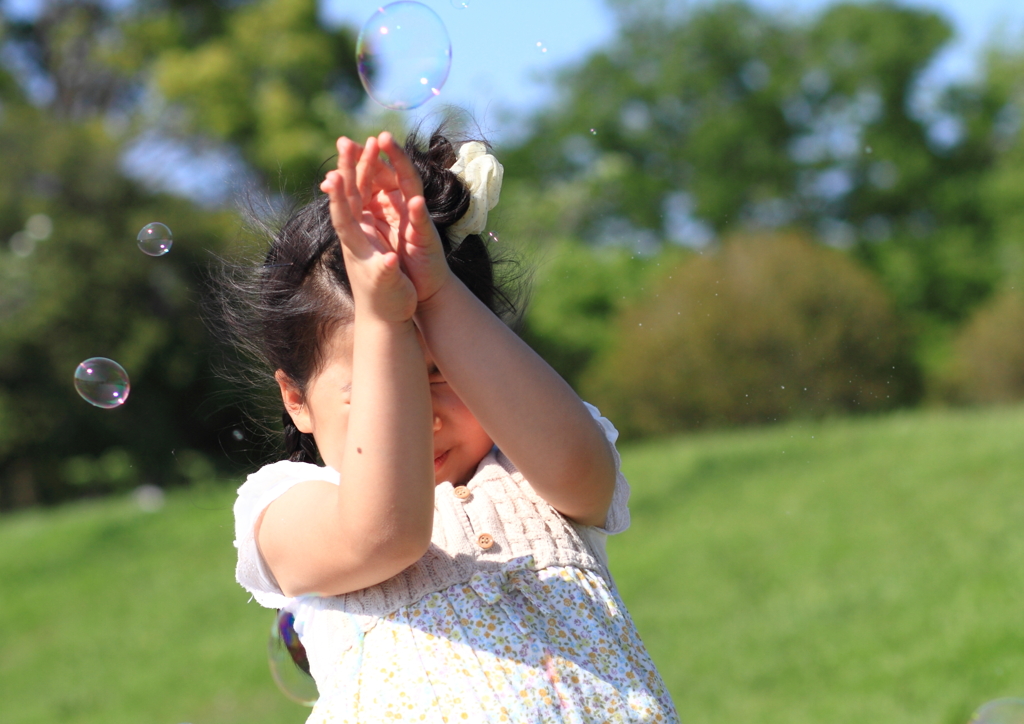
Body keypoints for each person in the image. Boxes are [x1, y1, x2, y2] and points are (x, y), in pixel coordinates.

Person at [228, 127, 679, 723]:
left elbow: (583, 472)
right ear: (297, 400)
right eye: (378, 387)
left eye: (439, 375)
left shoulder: (531, 471)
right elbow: (384, 532)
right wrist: (384, 323)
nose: (421, 414)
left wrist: (436, 290)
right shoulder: (288, 504)